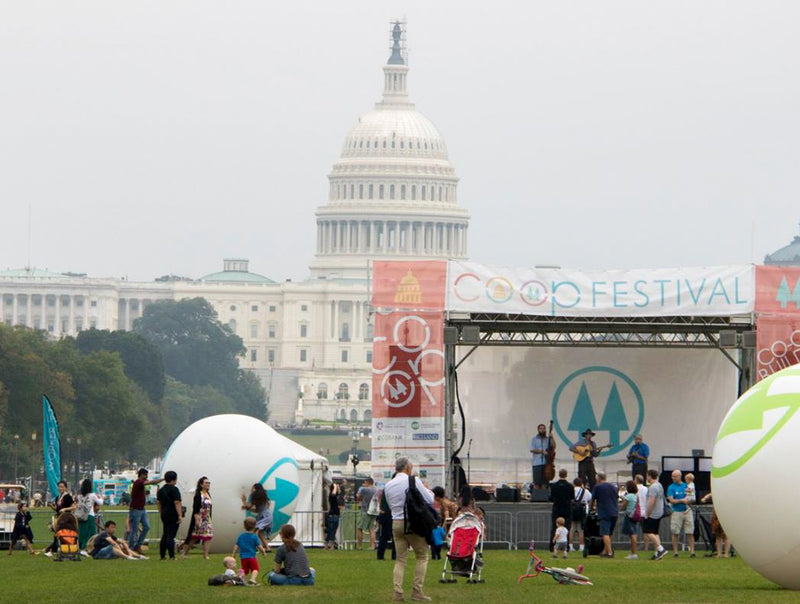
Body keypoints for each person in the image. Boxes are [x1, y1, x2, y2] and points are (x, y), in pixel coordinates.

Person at [383, 456, 435, 602]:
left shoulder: (389, 485)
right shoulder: (413, 480)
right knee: (422, 556)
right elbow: (430, 499)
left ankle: (397, 593)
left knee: (400, 559)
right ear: (407, 468)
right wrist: (425, 487)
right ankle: (417, 591)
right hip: (412, 523)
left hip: (396, 522)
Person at [128, 468, 163, 555]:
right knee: (134, 530)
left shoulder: (140, 484)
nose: (147, 477)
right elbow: (152, 482)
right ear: (142, 475)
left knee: (147, 527)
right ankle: (131, 548)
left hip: (142, 509)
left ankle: (138, 545)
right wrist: (162, 479)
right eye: (146, 475)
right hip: (135, 509)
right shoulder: (138, 482)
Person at [182, 476, 213, 559]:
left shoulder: (208, 494)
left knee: (208, 536)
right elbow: (195, 507)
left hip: (207, 518)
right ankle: (185, 552)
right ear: (201, 484)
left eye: (208, 483)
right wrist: (196, 518)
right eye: (206, 483)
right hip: (199, 517)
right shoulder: (198, 495)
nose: (208, 484)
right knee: (194, 536)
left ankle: (206, 555)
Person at [43, 479, 75, 557]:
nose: (60, 488)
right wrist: (52, 506)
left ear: (65, 488)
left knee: (58, 534)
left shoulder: (67, 497)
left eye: (62, 487)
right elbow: (57, 509)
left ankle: (51, 550)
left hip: (66, 518)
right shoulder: (58, 498)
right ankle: (52, 549)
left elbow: (74, 507)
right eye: (59, 487)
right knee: (58, 534)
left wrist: (65, 509)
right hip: (59, 518)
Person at [667, 469, 695, 558]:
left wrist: (689, 501)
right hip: (676, 511)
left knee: (690, 531)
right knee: (675, 532)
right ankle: (676, 552)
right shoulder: (671, 487)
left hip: (687, 511)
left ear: (679, 476)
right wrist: (681, 500)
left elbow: (691, 498)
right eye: (672, 476)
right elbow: (671, 500)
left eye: (675, 476)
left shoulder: (686, 485)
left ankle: (692, 551)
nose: (673, 478)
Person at [156, 470, 183, 560]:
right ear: (173, 479)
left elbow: (158, 503)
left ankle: (162, 555)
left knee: (165, 534)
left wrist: (161, 512)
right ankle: (172, 555)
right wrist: (180, 515)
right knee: (171, 535)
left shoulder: (161, 490)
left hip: (164, 513)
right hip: (173, 513)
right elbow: (177, 503)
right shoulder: (174, 489)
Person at [591, 472, 618, 558]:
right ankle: (605, 551)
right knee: (610, 533)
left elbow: (592, 499)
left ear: (598, 478)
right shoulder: (613, 487)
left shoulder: (597, 487)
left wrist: (592, 507)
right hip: (614, 512)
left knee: (604, 533)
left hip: (604, 512)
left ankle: (610, 552)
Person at [233, 517, 267, 585]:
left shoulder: (241, 536)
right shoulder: (254, 537)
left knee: (245, 571)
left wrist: (233, 554)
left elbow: (236, 545)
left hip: (243, 557)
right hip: (251, 557)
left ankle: (243, 581)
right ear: (255, 527)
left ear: (244, 526)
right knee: (255, 569)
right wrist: (263, 551)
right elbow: (259, 546)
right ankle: (252, 579)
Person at [644, 469, 668, 561]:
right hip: (659, 512)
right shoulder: (659, 485)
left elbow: (651, 501)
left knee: (648, 532)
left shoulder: (653, 487)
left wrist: (647, 513)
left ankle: (661, 549)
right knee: (655, 533)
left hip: (653, 513)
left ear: (650, 476)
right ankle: (657, 553)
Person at [241, 483, 272, 553]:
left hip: (264, 517)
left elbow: (249, 506)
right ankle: (267, 548)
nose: (251, 490)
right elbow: (257, 510)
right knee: (260, 533)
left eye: (253, 488)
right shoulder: (263, 498)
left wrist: (244, 501)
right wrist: (247, 508)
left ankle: (254, 547)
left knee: (254, 530)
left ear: (256, 489)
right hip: (267, 516)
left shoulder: (255, 496)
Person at [76, 478, 104, 556]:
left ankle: (81, 548)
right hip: (90, 516)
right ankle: (87, 549)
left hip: (81, 516)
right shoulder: (92, 495)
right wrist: (102, 497)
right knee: (91, 534)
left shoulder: (80, 496)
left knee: (82, 533)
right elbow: (100, 503)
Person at [700, 493, 731, 558]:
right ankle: (719, 553)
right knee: (717, 535)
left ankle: (726, 554)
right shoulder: (716, 492)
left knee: (726, 535)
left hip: (725, 514)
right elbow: (710, 494)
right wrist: (705, 498)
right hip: (716, 515)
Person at [549, 468, 573, 551]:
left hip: (557, 508)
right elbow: (572, 497)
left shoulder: (554, 486)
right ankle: (566, 547)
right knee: (567, 528)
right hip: (566, 508)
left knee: (554, 527)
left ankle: (552, 546)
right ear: (566, 475)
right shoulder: (570, 486)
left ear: (559, 474)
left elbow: (551, 498)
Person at [569, 478, 592, 552]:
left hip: (572, 512)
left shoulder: (571, 491)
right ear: (581, 483)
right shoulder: (586, 491)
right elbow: (590, 499)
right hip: (582, 512)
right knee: (581, 530)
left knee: (571, 529)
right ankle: (581, 546)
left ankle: (570, 546)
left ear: (574, 483)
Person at [620, 480, 640, 559]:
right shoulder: (635, 496)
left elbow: (623, 507)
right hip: (634, 516)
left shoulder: (628, 496)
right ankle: (633, 553)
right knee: (633, 534)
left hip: (629, 516)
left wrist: (623, 500)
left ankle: (633, 553)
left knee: (632, 535)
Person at [356, 477, 378, 550]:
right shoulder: (376, 490)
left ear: (368, 482)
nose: (364, 484)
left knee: (360, 528)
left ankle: (360, 546)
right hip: (373, 511)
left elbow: (358, 497)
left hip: (364, 510)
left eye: (365, 483)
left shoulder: (364, 489)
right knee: (371, 529)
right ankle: (372, 546)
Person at [376, 485, 396, 561]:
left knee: (384, 536)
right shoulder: (394, 489)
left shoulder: (387, 488)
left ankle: (380, 555)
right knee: (395, 536)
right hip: (391, 514)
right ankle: (394, 556)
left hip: (385, 514)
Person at [529, 423, 551, 490]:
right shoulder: (534, 439)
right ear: (538, 430)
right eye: (541, 428)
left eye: (543, 428)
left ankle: (544, 498)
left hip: (546, 463)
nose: (542, 430)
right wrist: (542, 451)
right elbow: (532, 449)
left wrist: (552, 437)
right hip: (537, 463)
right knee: (537, 482)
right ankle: (537, 498)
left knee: (545, 483)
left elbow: (553, 446)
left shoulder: (547, 439)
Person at [634, 474, 650, 550]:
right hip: (645, 512)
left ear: (636, 480)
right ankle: (646, 548)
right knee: (645, 531)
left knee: (634, 531)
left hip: (636, 512)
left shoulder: (634, 488)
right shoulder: (646, 489)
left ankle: (634, 547)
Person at [325, 482, 342, 550]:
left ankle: (328, 545)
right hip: (333, 516)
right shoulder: (332, 496)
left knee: (331, 531)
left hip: (334, 515)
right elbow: (334, 494)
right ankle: (330, 545)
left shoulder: (336, 497)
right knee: (332, 531)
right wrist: (335, 486)